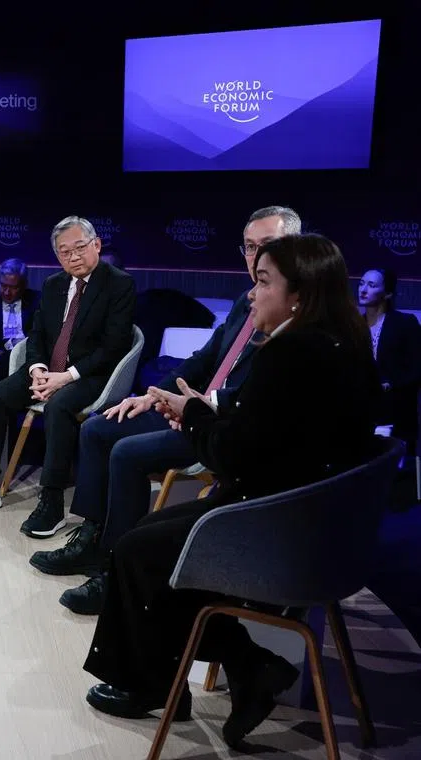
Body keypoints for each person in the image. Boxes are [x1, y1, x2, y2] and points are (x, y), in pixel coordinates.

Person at [82, 234, 379, 750]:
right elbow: (273, 435)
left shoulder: (290, 353)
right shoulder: (344, 345)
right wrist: (206, 413)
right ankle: (246, 668)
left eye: (263, 282)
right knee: (149, 539)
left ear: (299, 296)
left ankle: (172, 682)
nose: (251, 293)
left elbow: (234, 457)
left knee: (136, 552)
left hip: (275, 527)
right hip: (317, 525)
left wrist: (195, 415)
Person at [31, 206, 300, 615]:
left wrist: (202, 406)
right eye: (249, 247)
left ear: (296, 248)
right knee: (99, 428)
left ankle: (113, 570)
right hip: (196, 410)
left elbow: (267, 395)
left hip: (224, 428)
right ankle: (92, 536)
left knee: (127, 452)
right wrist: (153, 395)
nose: (257, 255)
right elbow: (204, 359)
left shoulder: (300, 315)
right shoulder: (243, 302)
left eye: (268, 245)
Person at [0, 216, 136, 537]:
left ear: (96, 245)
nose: (73, 256)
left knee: (58, 406)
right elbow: (36, 336)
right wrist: (37, 369)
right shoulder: (53, 285)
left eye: (80, 247)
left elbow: (114, 347)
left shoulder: (119, 284)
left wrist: (66, 377)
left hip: (93, 375)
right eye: (64, 252)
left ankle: (52, 503)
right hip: (48, 371)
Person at [358, 267, 421, 455]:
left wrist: (390, 385)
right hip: (364, 415)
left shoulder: (405, 323)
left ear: (387, 293)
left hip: (397, 414)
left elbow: (416, 368)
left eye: (371, 285)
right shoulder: (354, 327)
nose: (363, 290)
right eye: (361, 283)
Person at [0, 258, 40, 382]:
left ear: (24, 285)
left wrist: (8, 351)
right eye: (3, 285)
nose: (6, 292)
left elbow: (39, 336)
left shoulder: (37, 301)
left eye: (13, 287)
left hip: (29, 358)